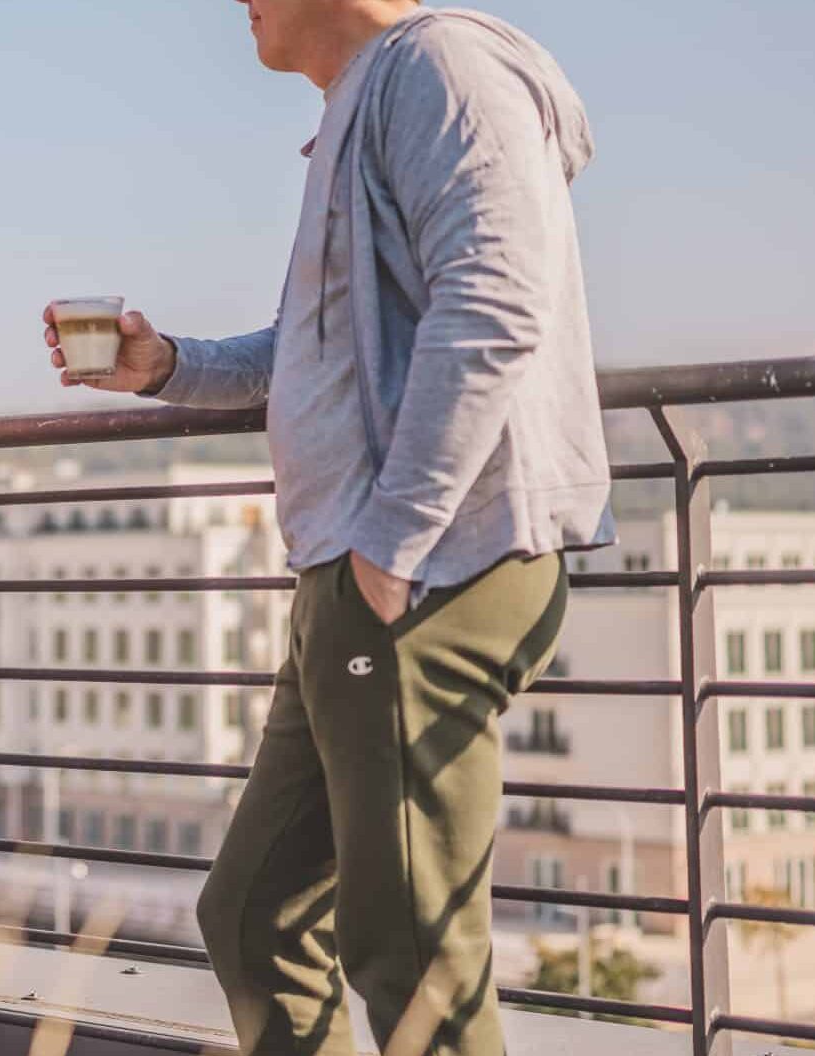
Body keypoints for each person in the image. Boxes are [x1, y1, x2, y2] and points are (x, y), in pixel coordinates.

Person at [46, 2, 609, 1053]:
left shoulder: (439, 67)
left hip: (421, 569)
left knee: (410, 958)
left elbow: (492, 300)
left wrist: (390, 547)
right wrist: (165, 365)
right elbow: (317, 353)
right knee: (255, 917)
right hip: (355, 576)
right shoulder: (369, 99)